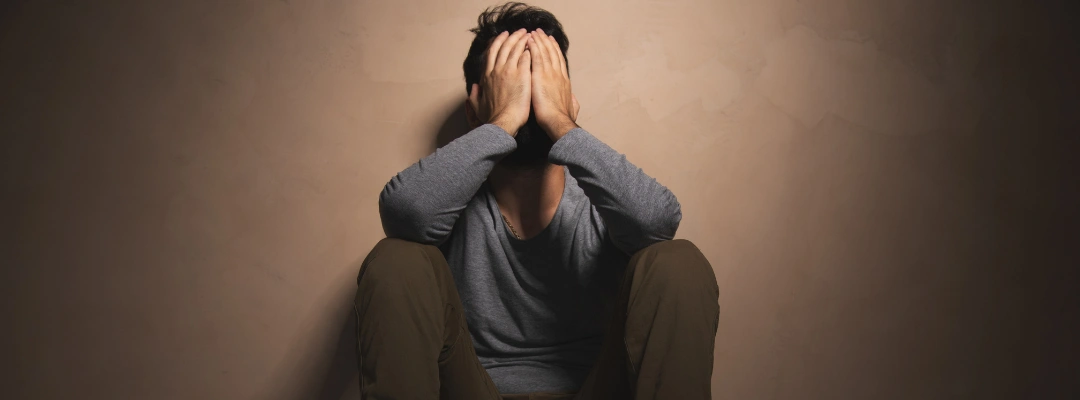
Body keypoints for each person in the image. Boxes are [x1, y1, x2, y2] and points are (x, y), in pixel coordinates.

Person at [354, 2, 719, 399]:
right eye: (512, 87)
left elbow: (658, 223)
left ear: (565, 97)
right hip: (477, 389)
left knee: (677, 261)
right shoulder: (447, 201)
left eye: (539, 85)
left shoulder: (604, 198)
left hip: (594, 388)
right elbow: (404, 214)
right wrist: (502, 122)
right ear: (473, 109)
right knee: (397, 260)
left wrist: (562, 124)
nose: (528, 102)